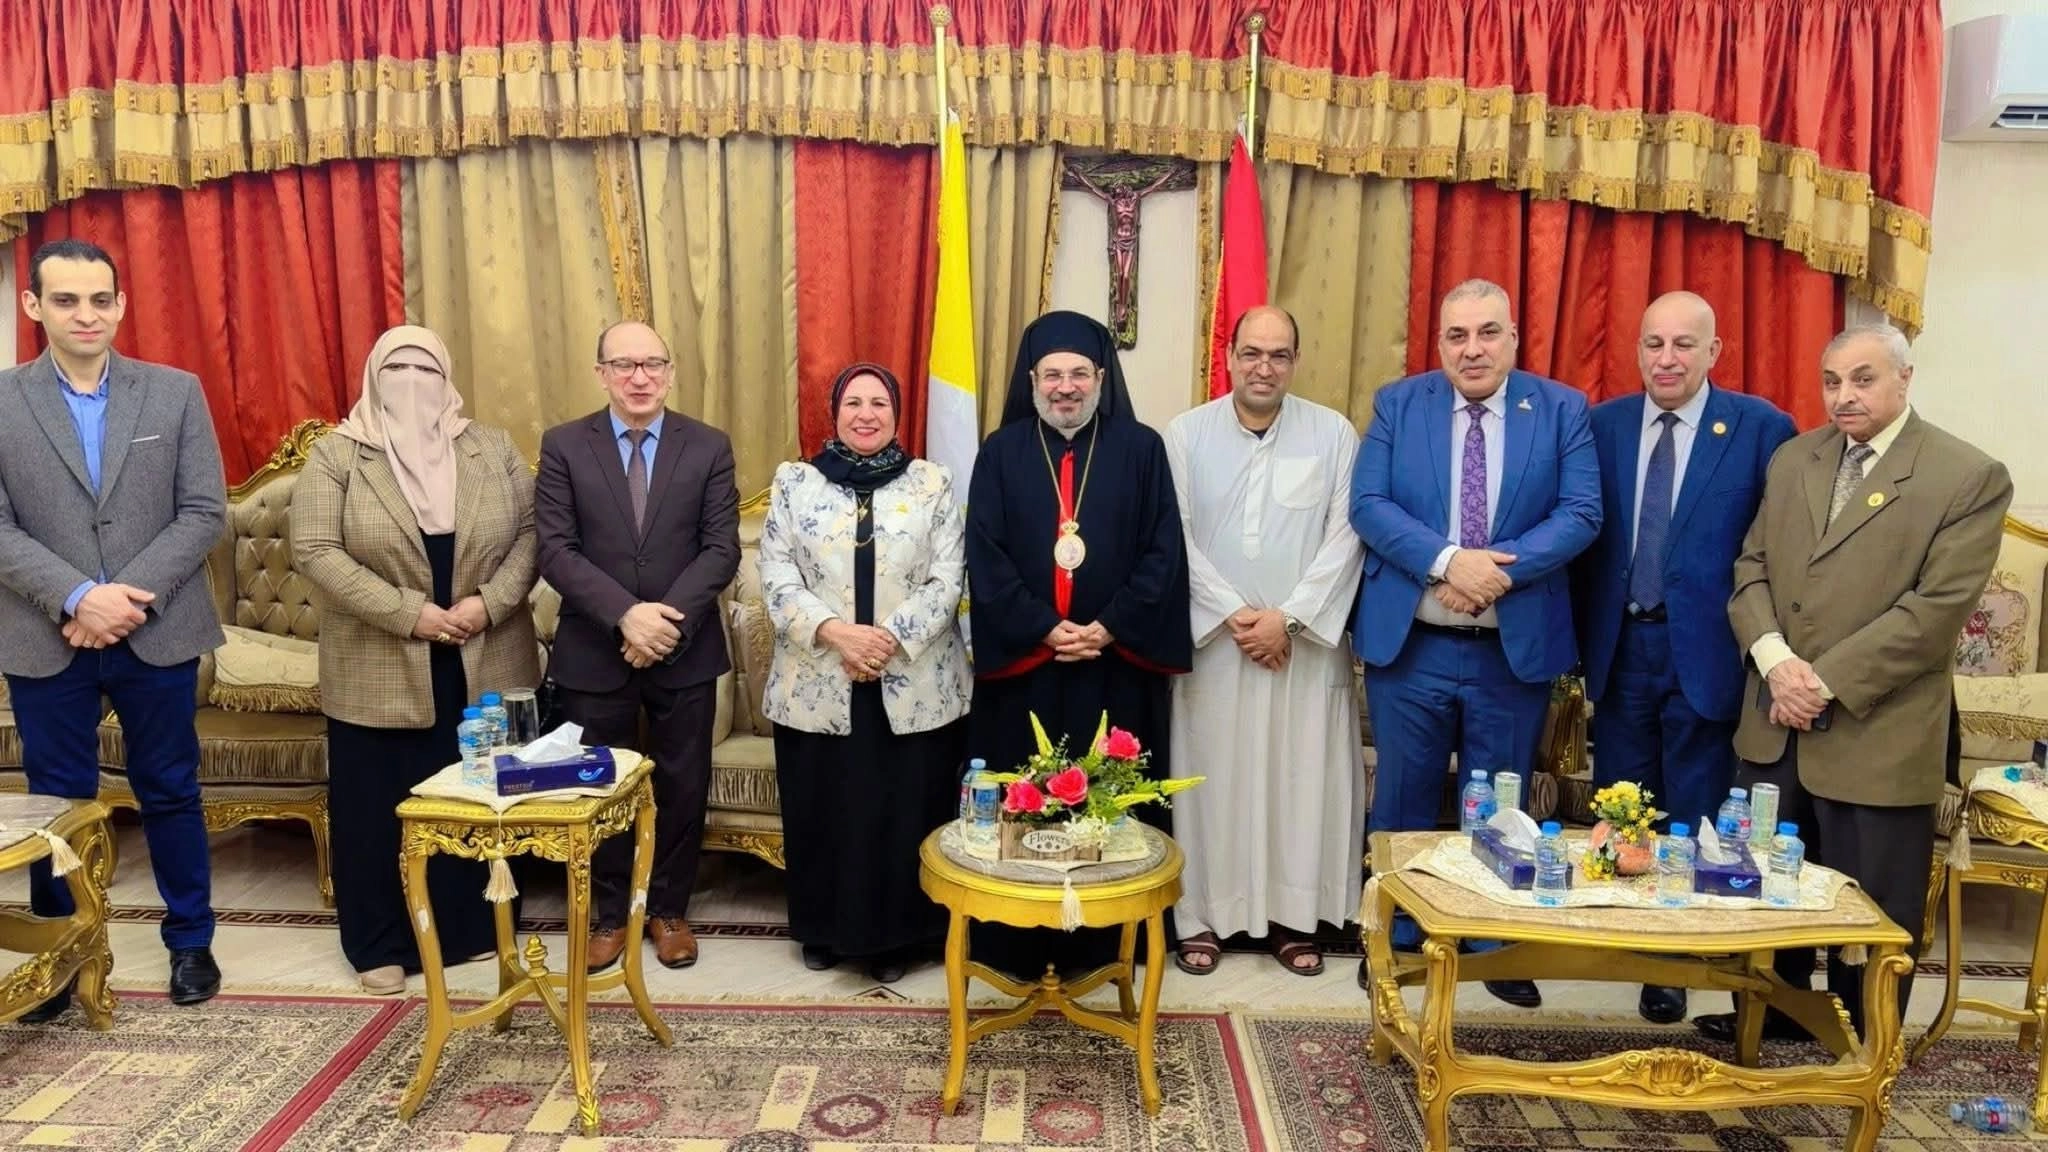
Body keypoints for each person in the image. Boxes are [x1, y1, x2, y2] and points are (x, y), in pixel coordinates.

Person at [1691, 324, 2011, 1045]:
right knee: (1767, 890)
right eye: (1832, 381)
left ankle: (1866, 1046)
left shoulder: (1966, 475)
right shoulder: (1794, 457)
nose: (1844, 396)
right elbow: (1751, 569)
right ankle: (1772, 1015)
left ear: (1904, 378)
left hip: (1876, 735)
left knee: (1869, 916)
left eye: (1863, 379)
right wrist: (1776, 662)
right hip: (1776, 720)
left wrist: (1823, 681)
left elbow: (1934, 612)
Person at [1349, 278, 1600, 1009]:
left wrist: (1494, 574)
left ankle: (1494, 945)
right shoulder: (1400, 404)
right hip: (1414, 647)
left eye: (1488, 332)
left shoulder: (1561, 409)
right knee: (1402, 802)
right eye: (1457, 335)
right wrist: (1447, 562)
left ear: (1513, 337)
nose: (1473, 349)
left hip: (1509, 653)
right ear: (1439, 343)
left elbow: (1581, 512)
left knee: (1501, 807)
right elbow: (1369, 504)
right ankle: (1395, 939)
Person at [0, 239, 224, 1018]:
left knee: (171, 789)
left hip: (155, 629)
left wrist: (121, 600)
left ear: (121, 304)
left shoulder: (174, 392)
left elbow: (204, 511)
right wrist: (75, 598)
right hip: (44, 633)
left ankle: (191, 943)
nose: (85, 315)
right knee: (56, 804)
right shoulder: (3, 400)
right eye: (66, 300)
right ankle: (60, 957)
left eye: (100, 299)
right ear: (34, 305)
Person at [291, 325, 541, 995]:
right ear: (373, 377)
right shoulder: (339, 454)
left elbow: (532, 534)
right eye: (395, 368)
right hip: (380, 660)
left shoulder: (490, 447)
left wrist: (489, 603)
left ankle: (475, 929)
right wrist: (410, 613)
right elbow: (314, 550)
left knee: (478, 800)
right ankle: (379, 944)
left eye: (426, 369)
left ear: (448, 378)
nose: (411, 381)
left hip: (485, 653)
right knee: (378, 811)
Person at [1571, 292, 1796, 1024]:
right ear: (1638, 350)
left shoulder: (1760, 429)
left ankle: (1674, 965)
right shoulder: (1601, 424)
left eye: (1683, 345)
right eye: (1653, 344)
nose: (1666, 359)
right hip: (1619, 646)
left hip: (1707, 650)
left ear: (1713, 351)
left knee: (1695, 808)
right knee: (1622, 804)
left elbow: (1778, 548)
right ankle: (1625, 941)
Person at [964, 310, 1192, 981]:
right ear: (1032, 380)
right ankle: (1013, 942)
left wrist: (1109, 625)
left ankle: (1112, 946)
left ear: (1101, 378)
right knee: (1026, 804)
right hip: (1028, 666)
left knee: (1114, 810)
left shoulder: (1142, 449)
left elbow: (1163, 551)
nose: (1066, 387)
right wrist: (1042, 626)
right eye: (1052, 374)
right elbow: (985, 554)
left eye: (1079, 374)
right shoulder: (1001, 451)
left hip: (1114, 664)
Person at [535, 321, 741, 974]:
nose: (640, 377)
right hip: (595, 649)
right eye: (624, 365)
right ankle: (608, 914)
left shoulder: (708, 446)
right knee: (598, 786)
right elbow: (555, 550)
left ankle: (668, 910)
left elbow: (721, 550)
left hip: (685, 647)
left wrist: (662, 626)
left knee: (682, 784)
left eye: (652, 364)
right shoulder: (565, 446)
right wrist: (626, 617)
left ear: (670, 373)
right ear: (601, 374)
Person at [1165, 306, 1364, 977]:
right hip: (1216, 649)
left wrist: (1291, 620)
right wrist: (1236, 616)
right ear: (1228, 355)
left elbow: (1346, 538)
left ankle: (1292, 919)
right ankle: (1201, 916)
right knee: (1211, 783)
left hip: (1302, 651)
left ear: (1295, 362)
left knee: (1299, 782)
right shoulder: (1186, 434)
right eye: (1252, 352)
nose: (1264, 367)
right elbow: (1175, 536)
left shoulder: (1333, 434)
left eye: (1279, 355)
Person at [757, 363, 972, 983]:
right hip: (818, 681)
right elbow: (776, 575)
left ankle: (899, 936)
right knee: (824, 810)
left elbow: (948, 577)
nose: (866, 414)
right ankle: (823, 929)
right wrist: (837, 634)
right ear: (835, 412)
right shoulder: (795, 483)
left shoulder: (932, 483)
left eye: (880, 403)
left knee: (901, 812)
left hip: (913, 682)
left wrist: (886, 641)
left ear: (897, 414)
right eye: (853, 402)